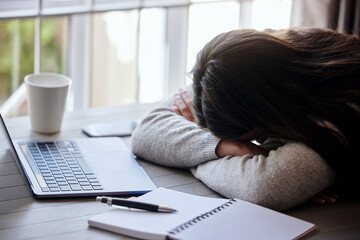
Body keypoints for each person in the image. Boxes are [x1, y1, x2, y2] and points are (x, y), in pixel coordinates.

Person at [131, 27, 360, 211]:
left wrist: (189, 158)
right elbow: (146, 131)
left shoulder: (342, 110)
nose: (257, 144)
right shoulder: (251, 63)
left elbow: (263, 187)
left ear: (269, 110)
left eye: (257, 137)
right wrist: (226, 147)